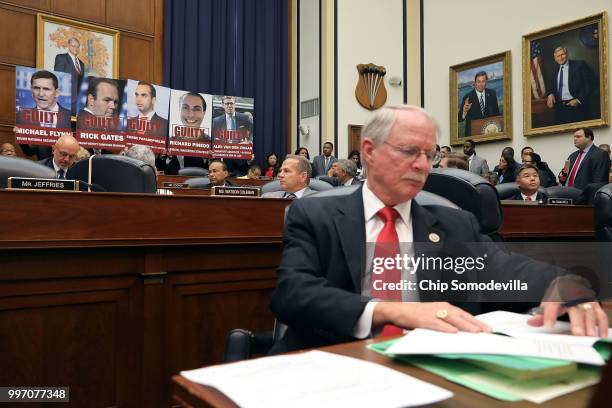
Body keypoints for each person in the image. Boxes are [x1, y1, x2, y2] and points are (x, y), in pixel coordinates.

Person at [269, 105, 607, 353]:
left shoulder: (454, 224)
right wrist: (391, 310)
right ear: (369, 152)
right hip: (332, 364)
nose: (422, 165)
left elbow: (507, 268)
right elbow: (294, 294)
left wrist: (562, 281)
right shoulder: (314, 214)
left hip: (430, 370)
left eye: (429, 155)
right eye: (409, 151)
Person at [545, 46, 596, 124]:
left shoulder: (579, 65)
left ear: (567, 54)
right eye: (558, 56)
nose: (560, 58)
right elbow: (551, 86)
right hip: (559, 109)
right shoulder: (554, 70)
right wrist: (550, 94)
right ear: (555, 59)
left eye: (562, 54)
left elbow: (593, 82)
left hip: (576, 107)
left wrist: (579, 100)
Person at [457, 71, 500, 136]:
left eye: (483, 81)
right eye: (478, 81)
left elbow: (497, 114)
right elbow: (459, 119)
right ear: (475, 83)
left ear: (486, 82)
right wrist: (464, 111)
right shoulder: (467, 97)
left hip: (489, 133)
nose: (481, 84)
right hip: (472, 136)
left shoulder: (492, 93)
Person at [53, 37, 85, 113]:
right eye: (73, 46)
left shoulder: (82, 64)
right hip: (65, 97)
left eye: (77, 47)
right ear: (69, 46)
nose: (76, 48)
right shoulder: (61, 58)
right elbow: (58, 77)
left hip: (78, 100)